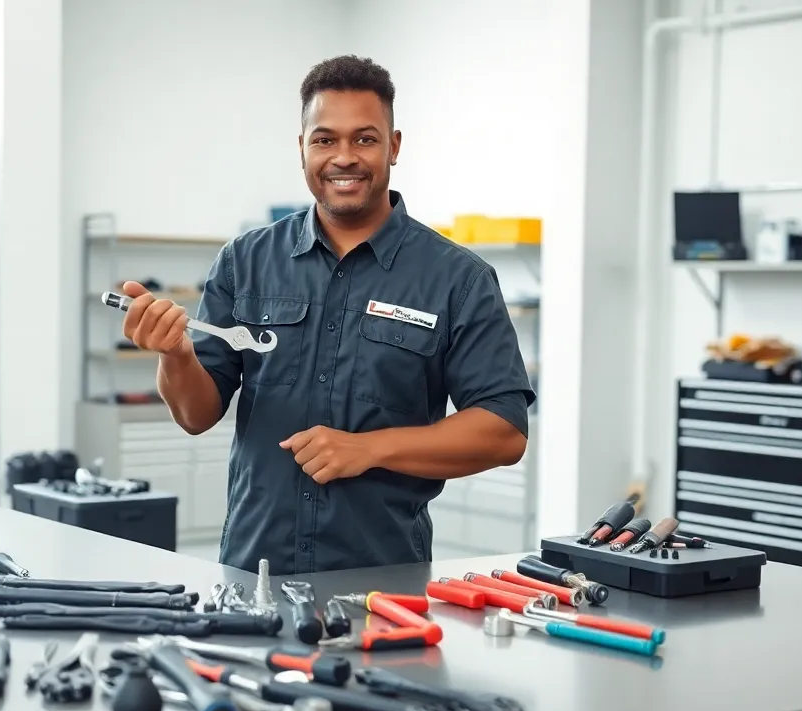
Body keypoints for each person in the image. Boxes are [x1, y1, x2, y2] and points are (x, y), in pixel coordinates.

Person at [118, 54, 536, 575]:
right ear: (302, 149)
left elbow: (504, 431)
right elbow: (196, 415)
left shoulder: (458, 278)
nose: (344, 157)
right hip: (254, 570)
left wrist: (370, 449)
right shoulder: (245, 261)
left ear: (394, 146)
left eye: (364, 138)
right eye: (325, 139)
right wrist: (176, 355)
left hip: (382, 583)